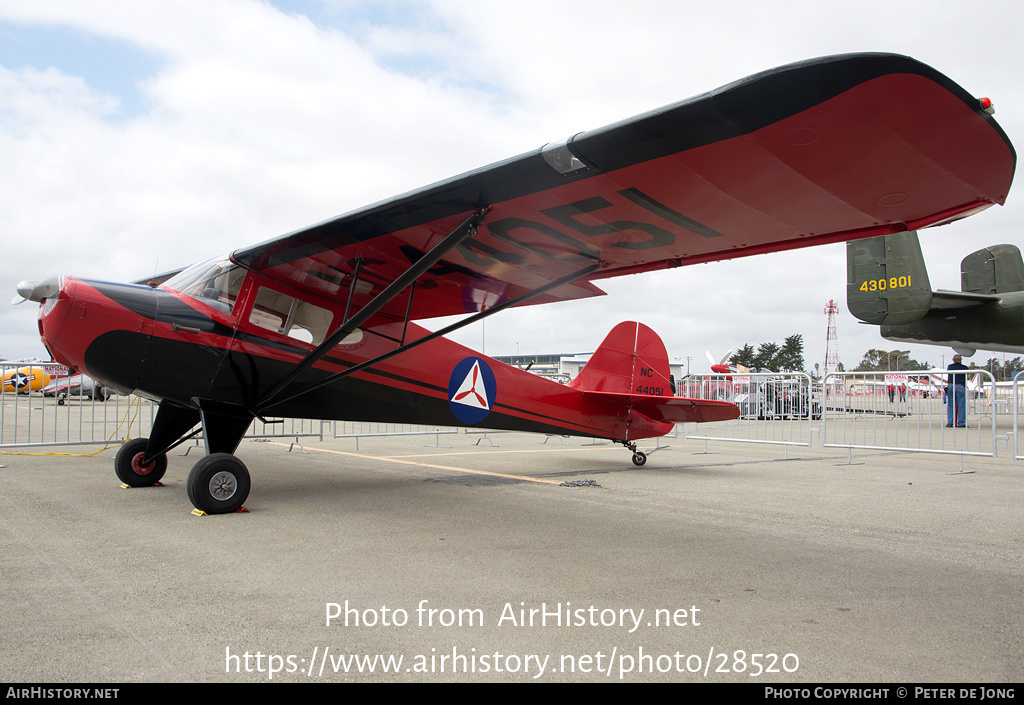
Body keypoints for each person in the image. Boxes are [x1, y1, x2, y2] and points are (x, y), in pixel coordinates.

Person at [946, 354, 969, 427]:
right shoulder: (965, 368)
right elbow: (967, 376)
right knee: (961, 405)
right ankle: (961, 422)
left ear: (953, 360)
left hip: (950, 385)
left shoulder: (950, 367)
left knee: (950, 405)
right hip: (960, 385)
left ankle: (950, 422)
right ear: (960, 360)